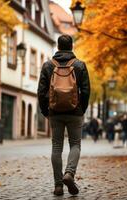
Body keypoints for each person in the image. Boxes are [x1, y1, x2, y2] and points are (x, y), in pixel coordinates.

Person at [37, 34, 90, 196]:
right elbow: (86, 91)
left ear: (58, 47)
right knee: (75, 144)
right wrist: (82, 109)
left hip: (55, 112)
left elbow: (41, 91)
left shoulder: (48, 65)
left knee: (56, 146)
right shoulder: (79, 65)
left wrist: (46, 111)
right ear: (71, 46)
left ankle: (58, 185)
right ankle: (69, 173)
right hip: (75, 112)